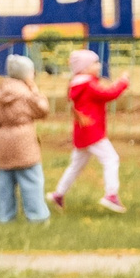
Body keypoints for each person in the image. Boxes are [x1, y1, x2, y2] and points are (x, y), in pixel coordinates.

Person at [51, 49, 130, 214]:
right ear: (84, 68)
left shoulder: (77, 83)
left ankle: (58, 194)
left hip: (82, 131)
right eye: (94, 63)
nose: (99, 65)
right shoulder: (88, 85)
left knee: (76, 166)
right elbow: (109, 94)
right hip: (92, 132)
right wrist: (122, 82)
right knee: (111, 159)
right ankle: (111, 195)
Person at [0, 53, 50, 224]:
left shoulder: (2, 91)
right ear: (26, 74)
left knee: (5, 180)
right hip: (24, 139)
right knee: (31, 178)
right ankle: (37, 215)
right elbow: (43, 110)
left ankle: (5, 216)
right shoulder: (26, 93)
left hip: (5, 138)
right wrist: (35, 90)